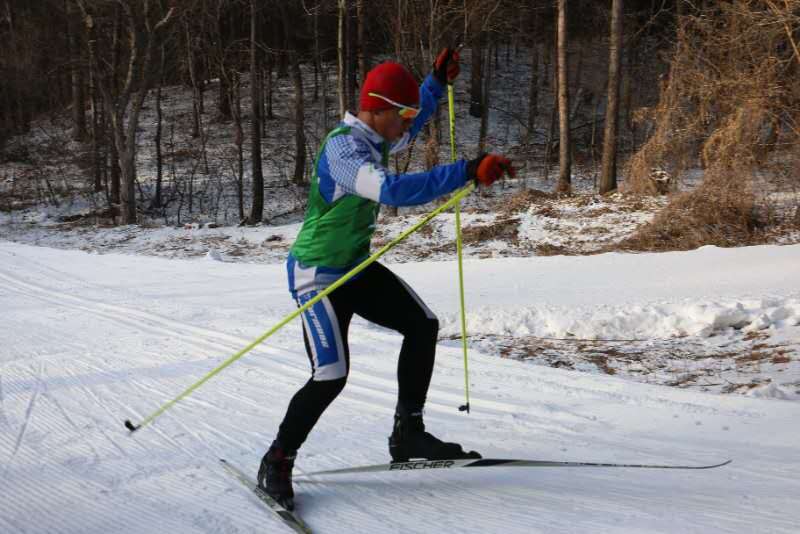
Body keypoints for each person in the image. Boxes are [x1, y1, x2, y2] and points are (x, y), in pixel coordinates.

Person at [258, 48, 515, 510]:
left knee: (423, 324)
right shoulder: (342, 150)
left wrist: (434, 84)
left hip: (353, 267)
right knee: (330, 375)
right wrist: (464, 171)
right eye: (404, 112)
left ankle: (408, 434)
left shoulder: (377, 135)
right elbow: (393, 190)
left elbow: (416, 122)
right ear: (377, 108)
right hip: (317, 276)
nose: (410, 123)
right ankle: (277, 458)